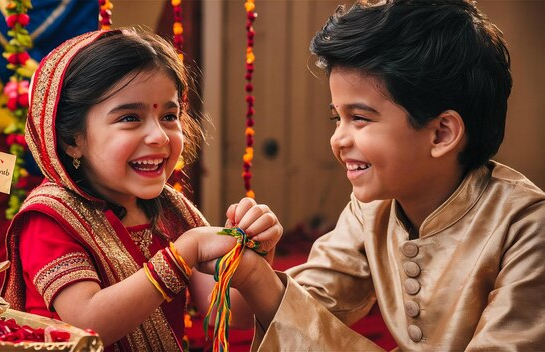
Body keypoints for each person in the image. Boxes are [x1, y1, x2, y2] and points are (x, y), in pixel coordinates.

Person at [210, 0, 545, 350]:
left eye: (360, 118)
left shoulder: (527, 226)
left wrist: (264, 284)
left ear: (441, 134)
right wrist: (254, 270)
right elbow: (306, 309)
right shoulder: (371, 208)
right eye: (335, 118)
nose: (338, 139)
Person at [1, 28, 283, 351]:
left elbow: (230, 314)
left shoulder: (171, 210)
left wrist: (254, 253)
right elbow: (87, 324)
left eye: (169, 115)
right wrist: (184, 252)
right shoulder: (50, 219)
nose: (160, 136)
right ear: (71, 140)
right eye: (131, 118)